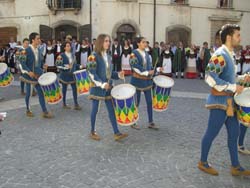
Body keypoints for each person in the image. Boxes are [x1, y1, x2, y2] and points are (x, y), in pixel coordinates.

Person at [198, 24, 250, 176]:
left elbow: (229, 78)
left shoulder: (230, 54)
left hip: (229, 103)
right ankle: (203, 162)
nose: (240, 38)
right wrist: (233, 87)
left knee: (234, 134)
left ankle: (235, 166)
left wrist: (242, 79)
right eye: (238, 35)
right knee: (211, 133)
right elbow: (209, 77)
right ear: (229, 37)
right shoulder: (220, 54)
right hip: (219, 102)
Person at [86, 34, 128, 141]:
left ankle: (116, 132)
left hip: (108, 87)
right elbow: (91, 73)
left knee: (111, 110)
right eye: (106, 41)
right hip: (97, 88)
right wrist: (102, 84)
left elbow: (109, 74)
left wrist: (118, 74)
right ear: (100, 42)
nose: (108, 43)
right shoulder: (93, 56)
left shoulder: (108, 57)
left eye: (109, 41)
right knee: (95, 110)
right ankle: (92, 131)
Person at [19, 32, 53, 118]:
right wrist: (28, 71)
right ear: (33, 40)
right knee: (29, 93)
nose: (39, 40)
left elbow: (40, 63)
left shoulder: (39, 50)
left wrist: (43, 66)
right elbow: (22, 63)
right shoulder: (25, 51)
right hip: (30, 76)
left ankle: (44, 111)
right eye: (38, 38)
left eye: (39, 38)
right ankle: (28, 109)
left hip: (38, 75)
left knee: (41, 93)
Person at [129, 37, 159, 130]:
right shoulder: (133, 53)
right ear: (138, 43)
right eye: (143, 42)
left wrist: (157, 70)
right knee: (136, 102)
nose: (145, 44)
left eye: (146, 42)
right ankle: (133, 122)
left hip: (147, 82)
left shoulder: (147, 54)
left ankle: (151, 122)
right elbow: (135, 67)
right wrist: (146, 73)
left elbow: (150, 67)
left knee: (149, 102)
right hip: (137, 81)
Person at [56, 42, 82, 110]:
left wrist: (80, 66)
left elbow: (75, 65)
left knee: (74, 89)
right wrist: (66, 67)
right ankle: (64, 103)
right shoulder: (61, 55)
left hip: (72, 75)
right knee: (64, 89)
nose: (69, 47)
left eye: (69, 46)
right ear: (64, 47)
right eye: (67, 46)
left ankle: (76, 104)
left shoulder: (73, 55)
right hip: (64, 75)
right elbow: (58, 65)